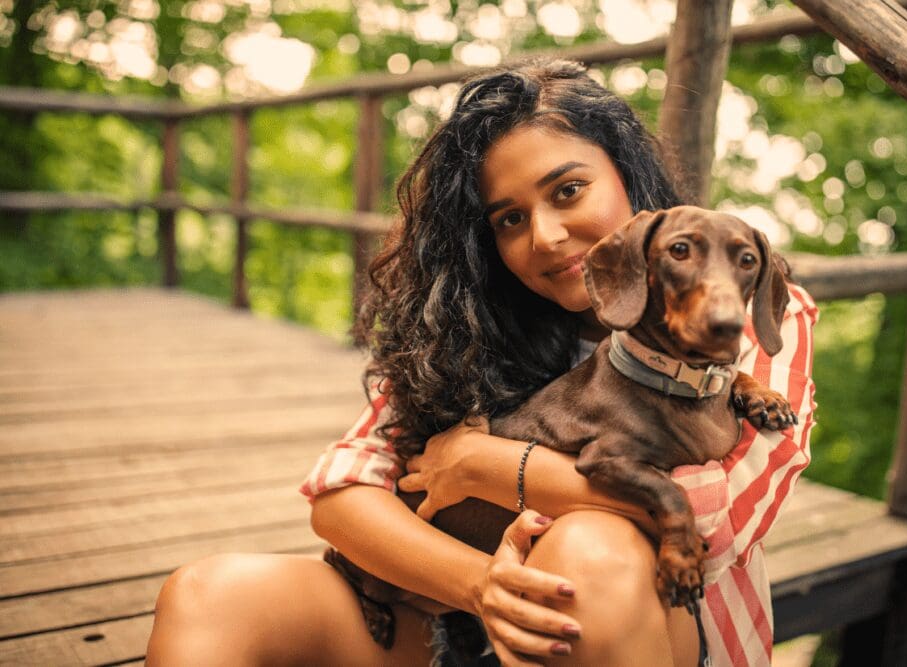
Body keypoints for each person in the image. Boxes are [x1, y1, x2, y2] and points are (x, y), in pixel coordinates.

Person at [146, 57, 818, 667]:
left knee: (592, 549)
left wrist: (487, 465)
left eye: (567, 190)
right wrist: (480, 586)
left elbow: (715, 522)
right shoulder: (472, 325)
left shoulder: (742, 308)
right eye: (509, 219)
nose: (547, 236)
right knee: (208, 593)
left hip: (643, 628)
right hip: (452, 617)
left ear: (625, 174)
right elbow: (342, 494)